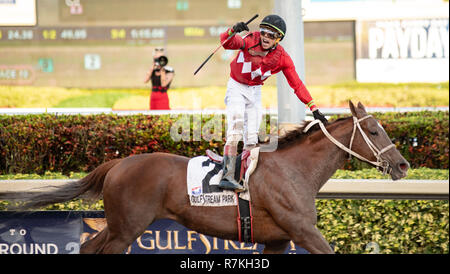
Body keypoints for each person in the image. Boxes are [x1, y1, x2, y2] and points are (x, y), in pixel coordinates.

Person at [218, 14, 328, 192]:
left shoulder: (283, 58)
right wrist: (232, 31)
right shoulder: (250, 39)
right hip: (236, 87)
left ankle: (247, 177)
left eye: (271, 35)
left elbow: (297, 85)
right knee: (235, 131)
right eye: (264, 32)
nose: (265, 37)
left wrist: (313, 107)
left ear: (279, 38)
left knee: (252, 139)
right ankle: (227, 175)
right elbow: (226, 43)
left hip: (255, 92)